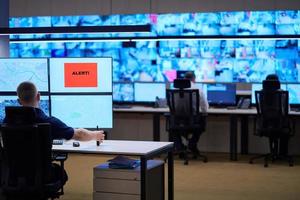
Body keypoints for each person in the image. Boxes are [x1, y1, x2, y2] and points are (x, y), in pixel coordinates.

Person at [3, 81, 105, 185]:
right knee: (61, 173)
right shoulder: (48, 122)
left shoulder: (6, 123)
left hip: (12, 178)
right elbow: (79, 134)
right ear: (38, 96)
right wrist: (95, 135)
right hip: (41, 177)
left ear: (19, 101)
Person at [175, 71, 209, 155]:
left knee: (172, 128)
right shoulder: (198, 89)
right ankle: (192, 144)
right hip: (193, 121)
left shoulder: (174, 89)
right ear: (194, 79)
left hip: (178, 122)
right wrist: (204, 112)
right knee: (202, 124)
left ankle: (180, 147)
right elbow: (205, 108)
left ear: (184, 78)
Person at [263, 74, 289, 156]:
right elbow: (286, 110)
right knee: (287, 123)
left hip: (265, 124)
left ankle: (273, 152)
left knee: (272, 126)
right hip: (280, 124)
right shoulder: (282, 93)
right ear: (278, 83)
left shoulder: (261, 93)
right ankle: (282, 154)